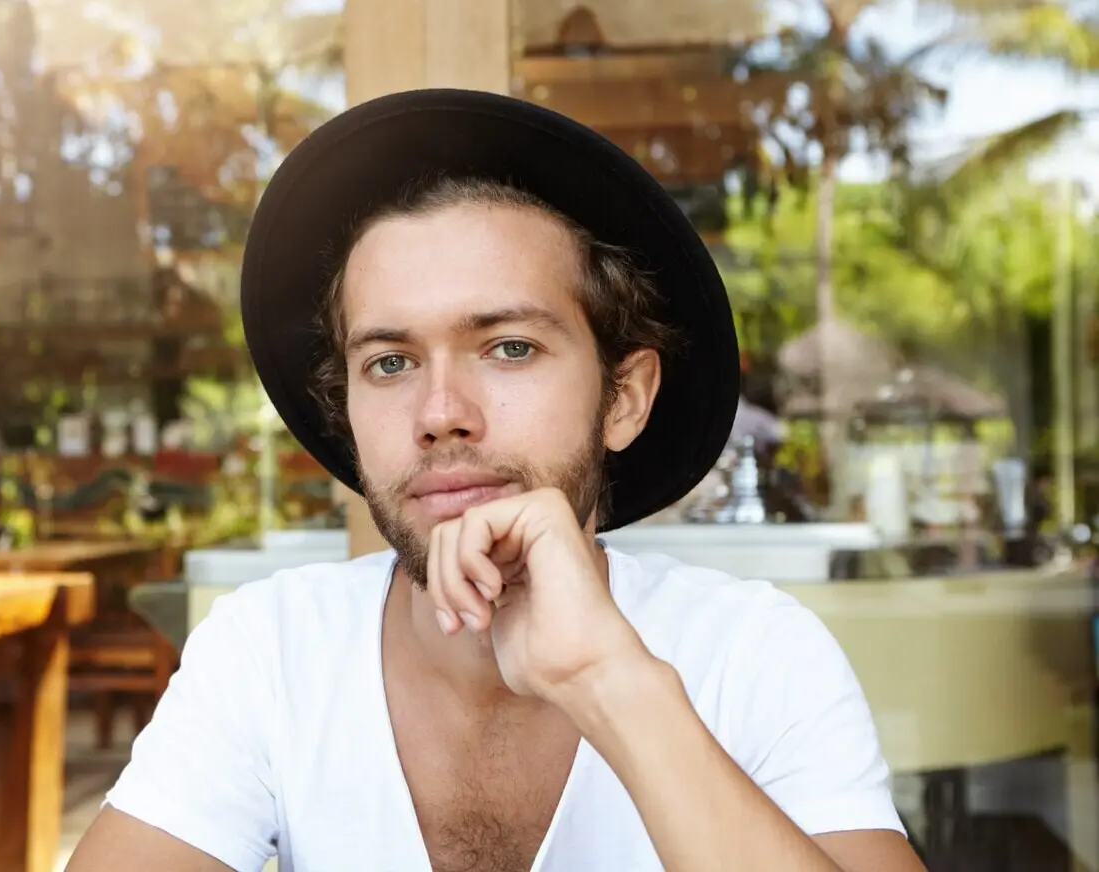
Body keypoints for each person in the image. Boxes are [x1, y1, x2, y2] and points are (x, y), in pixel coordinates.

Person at [66, 89, 923, 872]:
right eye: (391, 361)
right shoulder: (271, 650)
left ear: (624, 398)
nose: (441, 413)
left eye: (510, 347)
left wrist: (608, 682)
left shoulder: (755, 654)